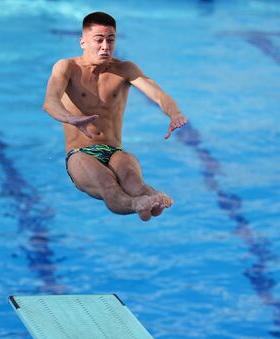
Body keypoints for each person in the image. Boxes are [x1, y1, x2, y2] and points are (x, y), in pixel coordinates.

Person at [43, 12, 188, 221]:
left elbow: (157, 94)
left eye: (110, 40)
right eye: (98, 40)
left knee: (135, 182)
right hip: (80, 154)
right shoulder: (67, 68)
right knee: (107, 185)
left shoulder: (124, 69)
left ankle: (150, 198)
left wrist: (174, 113)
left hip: (114, 151)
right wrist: (70, 118)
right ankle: (136, 204)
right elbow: (50, 102)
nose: (105, 46)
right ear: (83, 42)